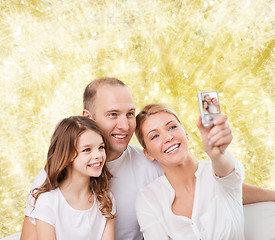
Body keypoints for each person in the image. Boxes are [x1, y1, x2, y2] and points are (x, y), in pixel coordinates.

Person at [21, 77, 275, 240]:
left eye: (130, 113)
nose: (124, 125)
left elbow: (216, 185)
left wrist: (269, 193)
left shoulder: (150, 165)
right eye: (112, 114)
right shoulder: (55, 175)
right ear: (87, 116)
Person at [135, 103, 244, 239]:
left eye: (172, 127)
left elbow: (227, 171)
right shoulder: (149, 198)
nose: (168, 137)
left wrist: (217, 153)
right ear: (148, 153)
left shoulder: (218, 173)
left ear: (185, 133)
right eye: (155, 136)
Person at [29, 116, 115, 240]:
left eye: (101, 147)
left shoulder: (105, 200)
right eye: (87, 149)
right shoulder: (48, 202)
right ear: (67, 155)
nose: (98, 155)